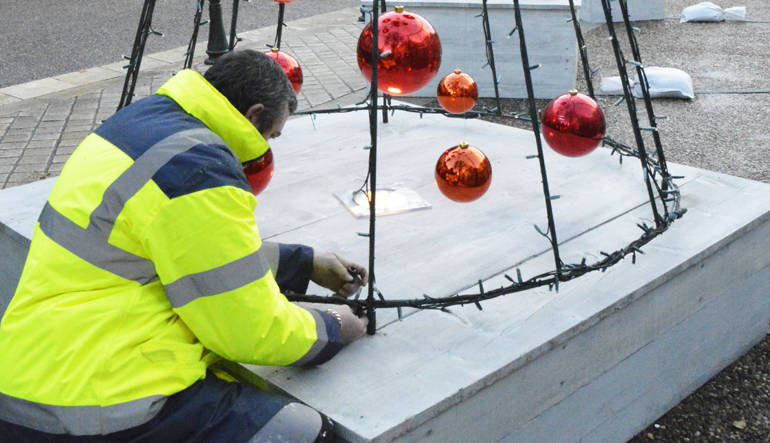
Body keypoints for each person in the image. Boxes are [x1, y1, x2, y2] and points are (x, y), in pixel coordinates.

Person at [0, 49, 369, 441]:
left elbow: (188, 255)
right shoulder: (198, 168)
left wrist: (304, 263)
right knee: (303, 432)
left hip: (27, 376)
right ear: (253, 114)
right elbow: (250, 329)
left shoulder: (136, 125)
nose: (265, 149)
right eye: (270, 134)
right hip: (99, 406)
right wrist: (334, 329)